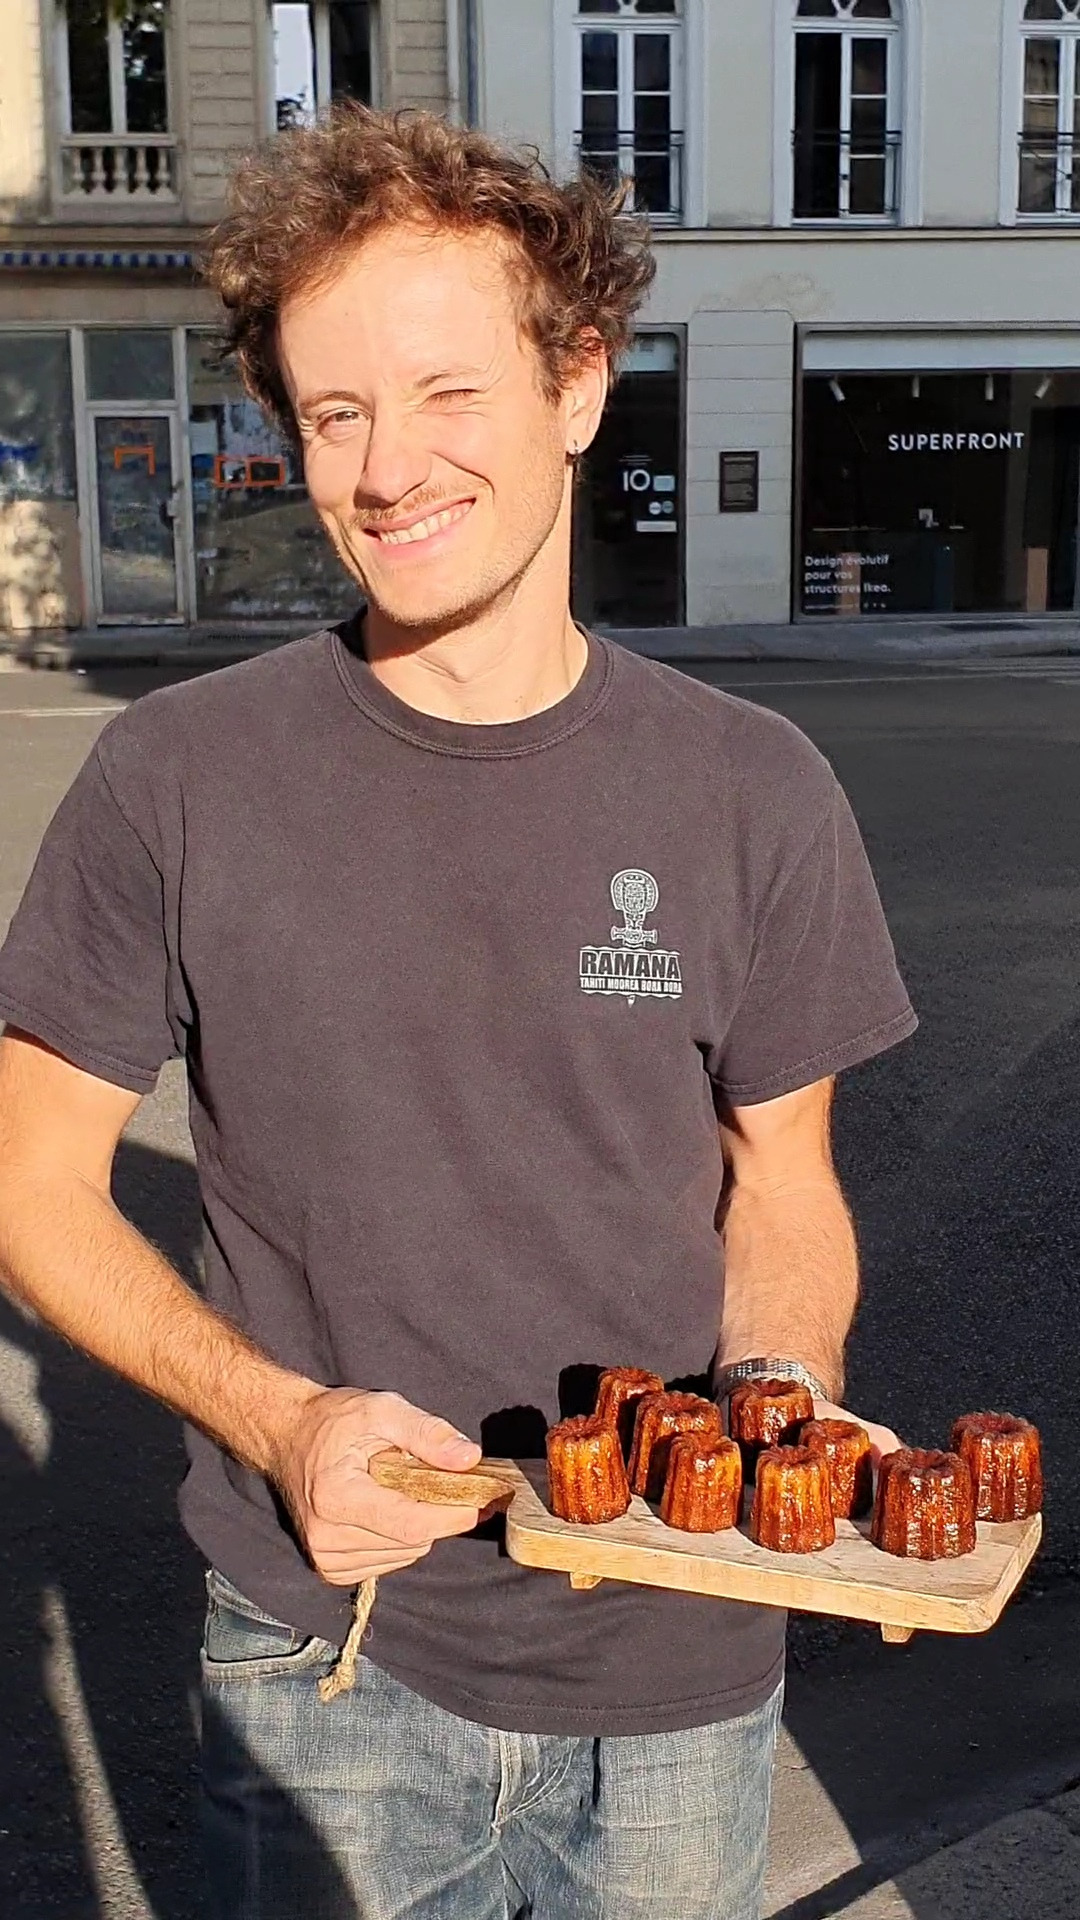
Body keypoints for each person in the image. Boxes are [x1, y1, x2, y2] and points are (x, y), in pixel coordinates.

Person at [0, 107, 917, 1920]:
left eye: (446, 393)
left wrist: (782, 1406)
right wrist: (276, 1422)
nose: (386, 467)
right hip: (324, 1654)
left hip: (680, 1666)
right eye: (334, 413)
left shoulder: (758, 789)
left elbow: (785, 1189)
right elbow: (32, 1186)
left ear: (579, 382)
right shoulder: (176, 779)